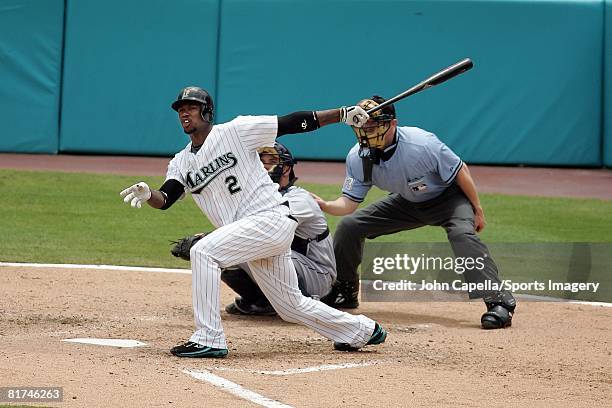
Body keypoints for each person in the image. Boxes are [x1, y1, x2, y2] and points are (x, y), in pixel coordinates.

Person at [119, 86, 386, 358]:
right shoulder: (181, 162)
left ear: (207, 111)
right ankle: (360, 331)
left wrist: (342, 114)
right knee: (289, 305)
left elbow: (292, 122)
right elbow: (166, 198)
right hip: (253, 235)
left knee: (203, 251)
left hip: (269, 219)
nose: (184, 112)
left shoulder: (235, 131)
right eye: (180, 109)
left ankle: (208, 337)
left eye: (191, 106)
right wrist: (148, 193)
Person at [315, 96, 516, 330]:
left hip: (448, 200)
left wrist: (477, 210)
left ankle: (499, 302)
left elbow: (460, 170)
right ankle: (345, 289)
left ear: (392, 124)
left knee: (462, 235)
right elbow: (348, 203)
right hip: (407, 204)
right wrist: (326, 205)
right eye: (361, 125)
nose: (366, 131)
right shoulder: (358, 157)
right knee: (350, 226)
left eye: (373, 125)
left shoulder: (421, 144)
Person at [221, 141, 336, 316]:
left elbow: (265, 229)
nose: (264, 167)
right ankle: (260, 302)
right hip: (291, 263)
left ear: (287, 168)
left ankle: (304, 305)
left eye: (271, 161)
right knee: (225, 251)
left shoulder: (300, 199)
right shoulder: (255, 200)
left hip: (318, 275)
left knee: (257, 247)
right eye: (260, 162)